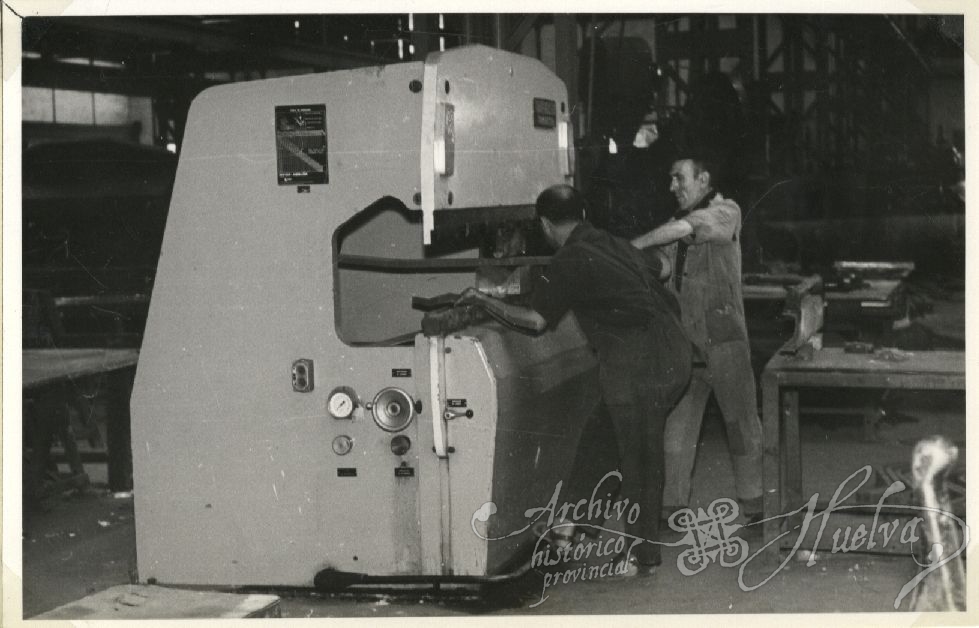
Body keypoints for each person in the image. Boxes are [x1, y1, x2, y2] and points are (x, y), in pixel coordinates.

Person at [457, 184, 691, 575]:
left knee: (639, 458)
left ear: (545, 225)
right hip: (670, 348)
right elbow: (663, 268)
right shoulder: (608, 242)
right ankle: (571, 527)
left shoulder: (569, 259)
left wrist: (485, 301)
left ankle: (641, 556)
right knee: (600, 437)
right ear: (582, 215)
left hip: (642, 363)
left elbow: (536, 321)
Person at [631, 155, 763, 522]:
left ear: (703, 179)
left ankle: (755, 506)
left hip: (725, 344)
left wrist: (630, 247)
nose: (672, 186)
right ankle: (672, 506)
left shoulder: (726, 212)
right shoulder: (675, 225)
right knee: (677, 431)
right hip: (686, 347)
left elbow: (685, 229)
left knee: (741, 427)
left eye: (679, 178)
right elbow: (665, 266)